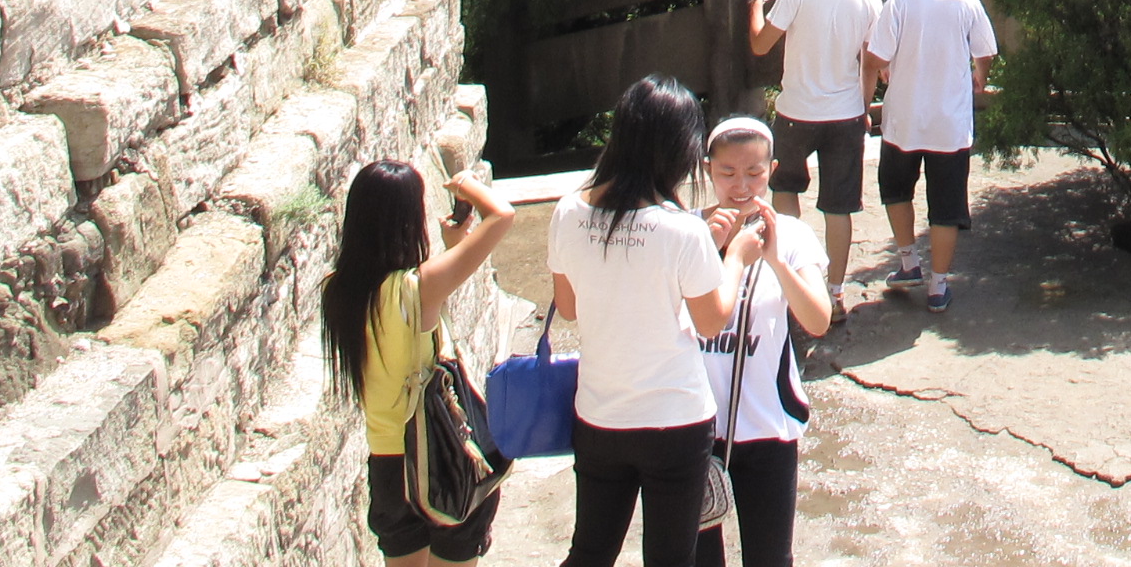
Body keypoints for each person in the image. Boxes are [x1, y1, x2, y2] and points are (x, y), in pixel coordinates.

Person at [547, 75, 771, 567]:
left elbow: (569, 306)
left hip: (600, 414)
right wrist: (735, 258)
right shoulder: (681, 230)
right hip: (675, 419)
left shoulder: (567, 212)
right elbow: (711, 321)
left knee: (588, 552)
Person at [322, 156, 518, 567]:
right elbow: (501, 215)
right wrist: (468, 184)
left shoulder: (338, 292)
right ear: (408, 220)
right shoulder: (418, 287)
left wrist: (454, 250)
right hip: (442, 459)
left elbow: (411, 332)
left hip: (389, 466)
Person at [691, 117, 832, 567]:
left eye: (754, 173)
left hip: (767, 427)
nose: (741, 185)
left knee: (771, 558)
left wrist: (773, 260)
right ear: (707, 170)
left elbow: (818, 319)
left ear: (772, 170)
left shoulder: (792, 235)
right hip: (694, 427)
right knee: (696, 557)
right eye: (727, 173)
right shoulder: (689, 232)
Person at [742, 0, 881, 308]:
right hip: (846, 114)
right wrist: (865, 107)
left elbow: (759, 43)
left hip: (796, 112)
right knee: (839, 208)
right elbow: (872, 61)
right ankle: (835, 294)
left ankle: (794, 285)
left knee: (785, 192)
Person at [864, 0, 999, 312]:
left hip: (904, 120)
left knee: (895, 190)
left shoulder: (899, 0)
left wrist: (884, 70)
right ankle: (939, 287)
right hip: (950, 125)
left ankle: (909, 263)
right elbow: (985, 51)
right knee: (946, 206)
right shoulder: (967, 1)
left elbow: (877, 56)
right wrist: (979, 78)